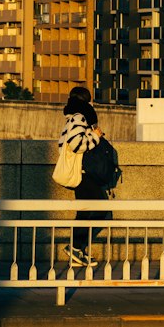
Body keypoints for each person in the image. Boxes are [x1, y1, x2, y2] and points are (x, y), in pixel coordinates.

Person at [58, 84, 106, 266]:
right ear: (86, 102)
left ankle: (77, 250)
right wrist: (95, 136)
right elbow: (77, 144)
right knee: (99, 209)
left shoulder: (71, 118)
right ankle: (76, 247)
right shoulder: (79, 118)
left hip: (81, 171)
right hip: (82, 172)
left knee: (86, 210)